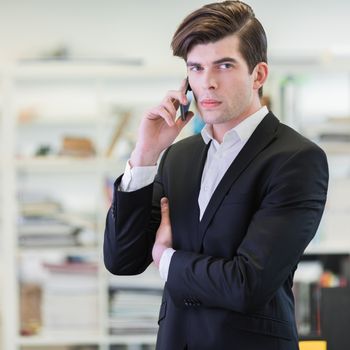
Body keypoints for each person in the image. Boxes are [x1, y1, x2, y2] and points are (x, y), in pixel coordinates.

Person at [104, 1, 329, 349]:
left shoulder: (296, 159)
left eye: (224, 65)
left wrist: (167, 259)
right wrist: (145, 155)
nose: (207, 83)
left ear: (258, 75)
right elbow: (123, 260)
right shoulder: (178, 156)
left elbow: (246, 285)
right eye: (196, 68)